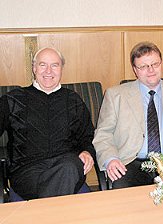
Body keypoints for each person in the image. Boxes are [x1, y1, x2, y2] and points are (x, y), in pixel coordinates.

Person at [93, 41, 163, 189]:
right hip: (131, 162)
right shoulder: (115, 95)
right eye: (144, 66)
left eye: (155, 64)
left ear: (161, 64)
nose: (151, 70)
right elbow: (103, 134)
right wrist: (110, 159)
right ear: (135, 70)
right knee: (124, 199)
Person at [0, 47, 95, 200]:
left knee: (69, 167)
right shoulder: (13, 99)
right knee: (65, 178)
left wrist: (87, 151)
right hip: (28, 171)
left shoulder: (73, 100)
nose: (48, 71)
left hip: (66, 164)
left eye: (55, 65)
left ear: (61, 69)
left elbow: (87, 136)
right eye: (43, 65)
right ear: (34, 68)